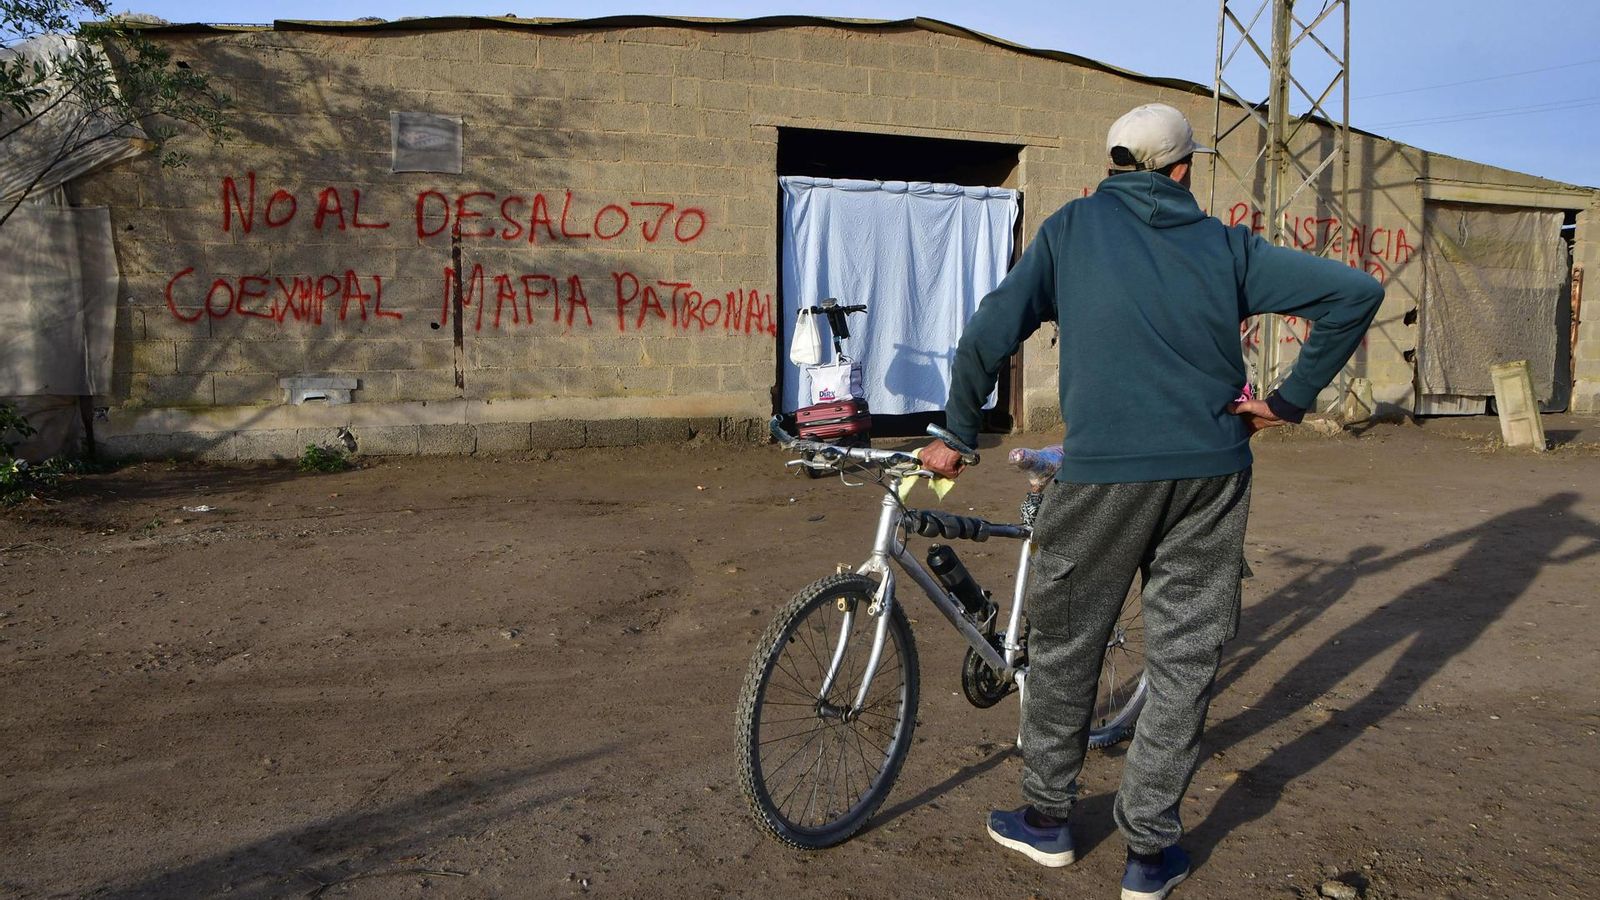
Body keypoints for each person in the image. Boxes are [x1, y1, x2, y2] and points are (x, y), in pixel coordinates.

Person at [920, 102, 1384, 900]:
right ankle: (1149, 854)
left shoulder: (1070, 233)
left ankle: (1047, 820)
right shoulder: (1226, 246)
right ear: (1182, 170)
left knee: (1067, 643)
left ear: (1114, 165)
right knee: (1184, 657)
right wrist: (1289, 399)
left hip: (1102, 477)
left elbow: (990, 332)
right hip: (1211, 473)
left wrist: (957, 434)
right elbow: (1354, 293)